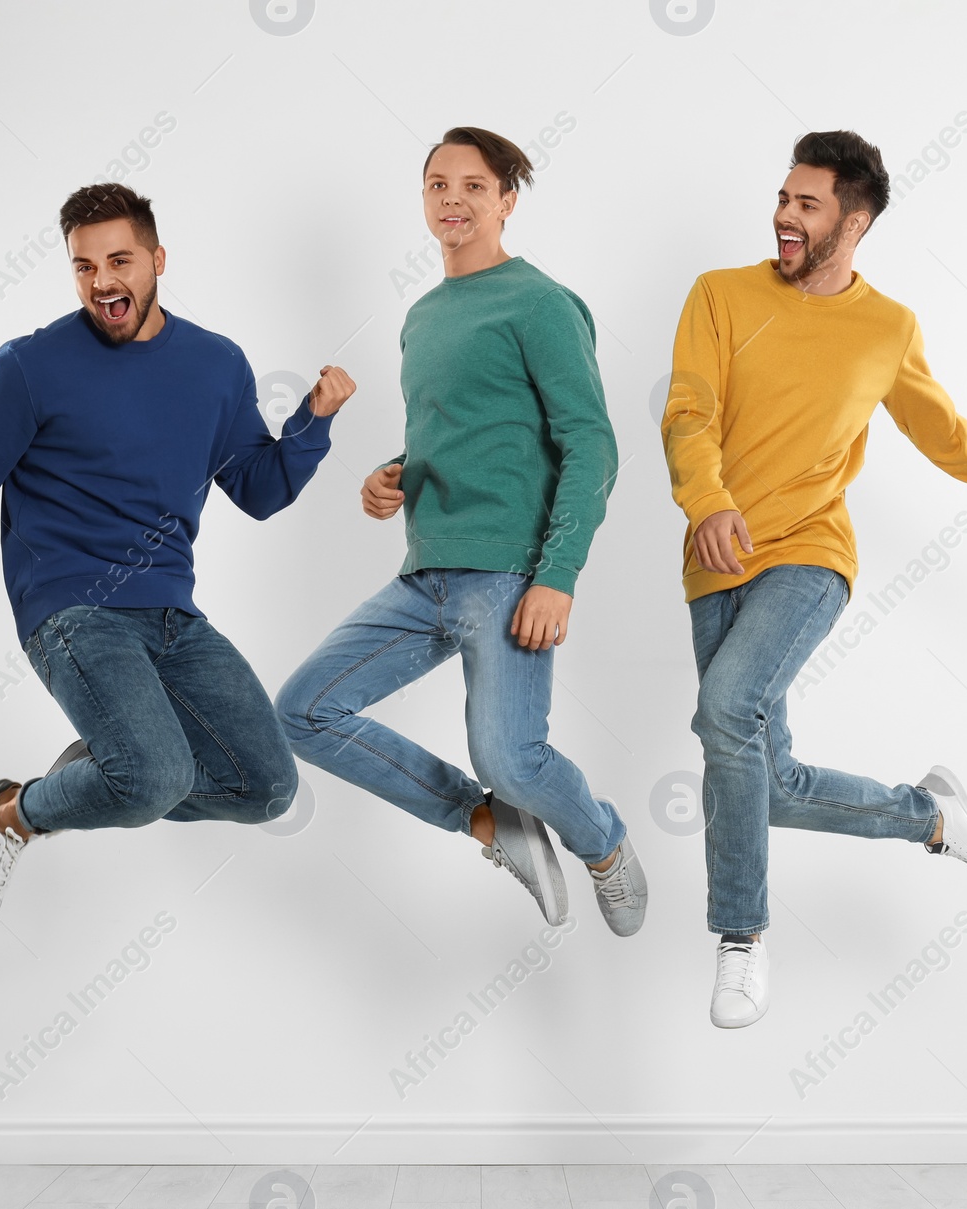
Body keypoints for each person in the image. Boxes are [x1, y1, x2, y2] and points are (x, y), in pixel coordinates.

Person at [661, 130, 967, 1027]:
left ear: (854, 222)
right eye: (783, 197)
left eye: (807, 204)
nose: (785, 215)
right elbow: (689, 411)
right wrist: (708, 501)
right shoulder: (720, 295)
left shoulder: (888, 327)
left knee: (724, 711)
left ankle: (740, 938)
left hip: (812, 555)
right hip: (717, 558)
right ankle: (929, 816)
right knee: (762, 784)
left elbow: (947, 435)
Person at [0, 182, 355, 934]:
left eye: (119, 260)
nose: (102, 281)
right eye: (83, 266)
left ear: (156, 259)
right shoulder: (28, 368)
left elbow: (259, 490)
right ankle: (12, 813)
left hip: (173, 614)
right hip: (73, 608)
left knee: (268, 787)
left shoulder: (215, 364)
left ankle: (101, 770)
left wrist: (312, 424)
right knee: (154, 776)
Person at [275, 127, 645, 935]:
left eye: (474, 186)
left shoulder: (542, 304)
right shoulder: (423, 316)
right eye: (438, 184)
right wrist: (396, 471)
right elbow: (465, 429)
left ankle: (605, 844)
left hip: (509, 576)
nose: (454, 199)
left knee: (510, 759)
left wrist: (558, 574)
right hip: (425, 573)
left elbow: (592, 443)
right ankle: (489, 824)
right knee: (300, 711)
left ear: (507, 201)